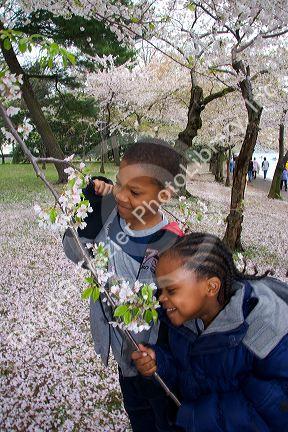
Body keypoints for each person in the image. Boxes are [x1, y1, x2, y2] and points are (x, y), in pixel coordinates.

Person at [63, 138, 184, 432]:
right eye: (119, 184)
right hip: (125, 360)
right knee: (139, 419)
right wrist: (90, 205)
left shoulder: (170, 247)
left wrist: (162, 361)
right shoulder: (108, 220)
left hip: (157, 368)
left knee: (165, 423)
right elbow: (74, 252)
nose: (121, 196)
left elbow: (180, 322)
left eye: (135, 191)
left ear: (164, 196)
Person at [132, 233, 288, 431]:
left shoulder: (263, 330)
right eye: (160, 290)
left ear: (211, 287)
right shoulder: (184, 320)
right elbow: (185, 369)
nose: (161, 299)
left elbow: (273, 407)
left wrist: (196, 417)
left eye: (171, 290)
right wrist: (159, 363)